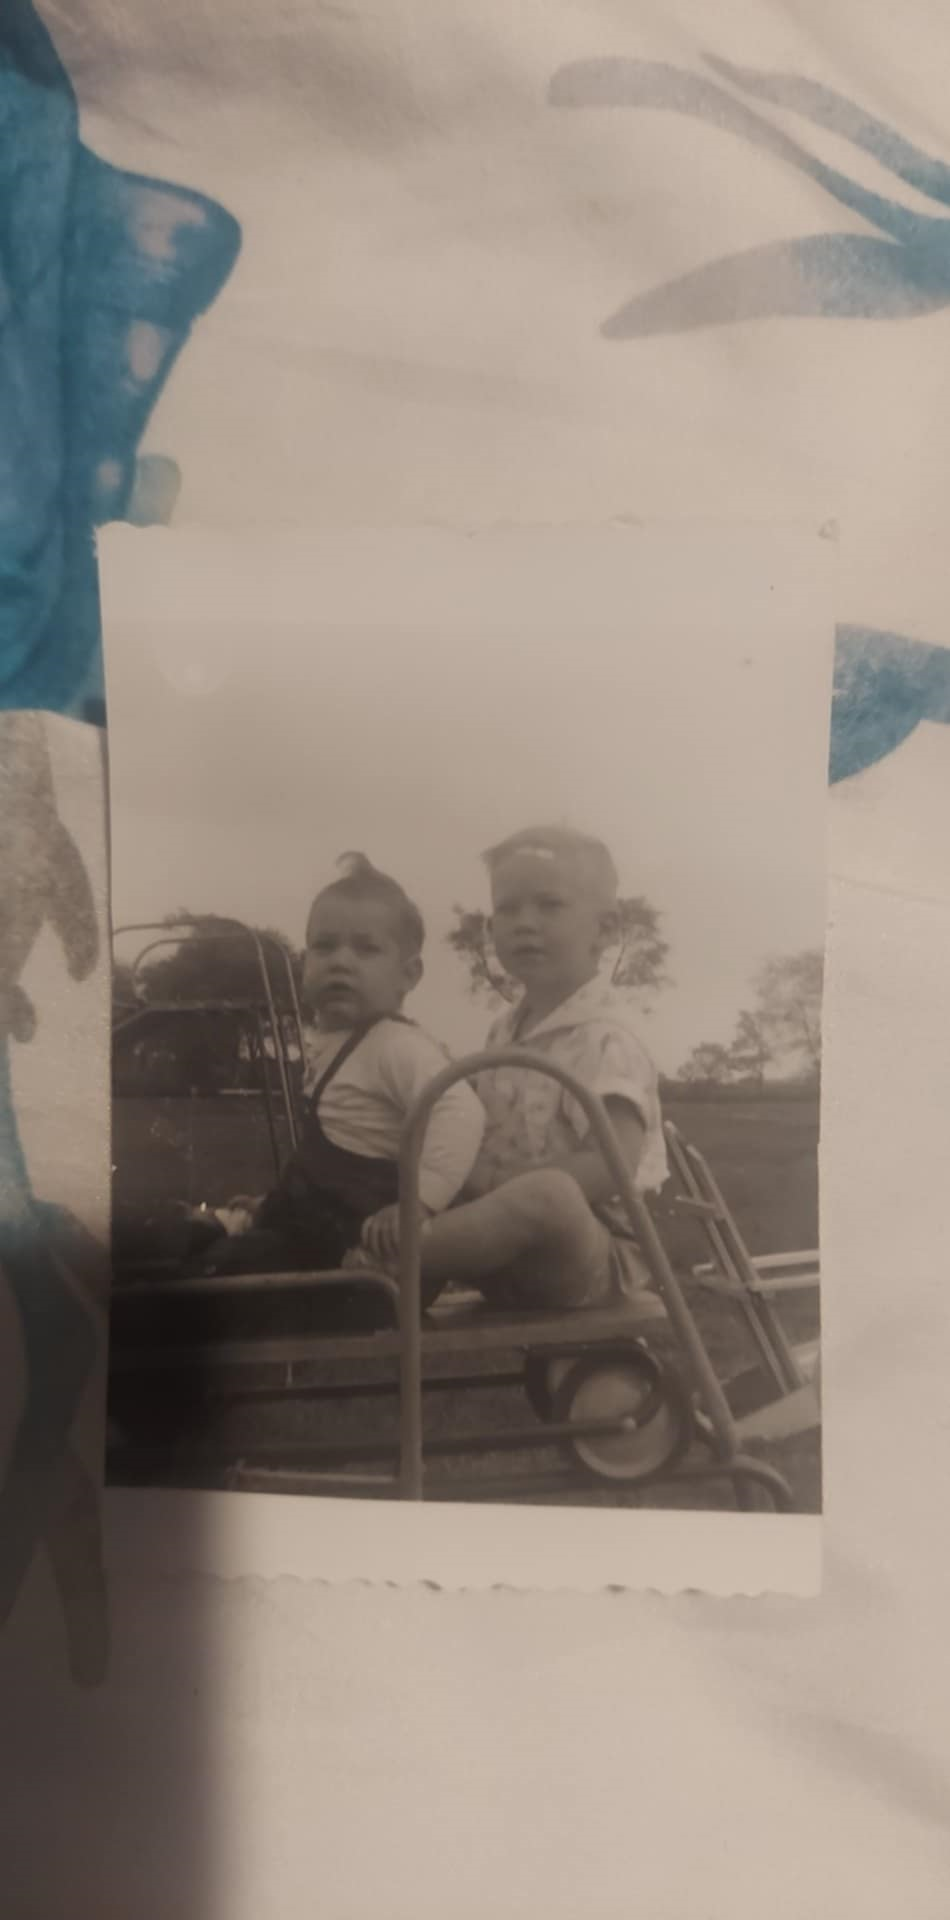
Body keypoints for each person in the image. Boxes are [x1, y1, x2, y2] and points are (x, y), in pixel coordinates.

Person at [362, 825, 670, 1318]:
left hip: (592, 1255)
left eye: (549, 905)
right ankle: (392, 1260)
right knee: (423, 1150)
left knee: (549, 1194)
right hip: (508, 1254)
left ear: (606, 930)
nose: (525, 922)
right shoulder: (503, 1034)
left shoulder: (606, 1037)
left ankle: (382, 1264)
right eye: (507, 908)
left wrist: (496, 1184)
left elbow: (612, 1164)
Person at [204, 854, 485, 1303]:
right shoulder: (336, 1042)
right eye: (324, 946)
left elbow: (461, 1110)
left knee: (217, 1276)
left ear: (408, 975)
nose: (341, 962)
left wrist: (417, 1203)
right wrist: (276, 1204)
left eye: (366, 949)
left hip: (364, 1257)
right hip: (321, 1231)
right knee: (204, 1252)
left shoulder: (396, 1045)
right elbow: (336, 1150)